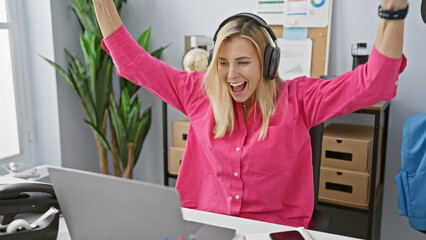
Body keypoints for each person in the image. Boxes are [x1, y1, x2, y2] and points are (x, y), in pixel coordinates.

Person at [93, 0, 407, 228]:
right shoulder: (197, 92)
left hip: (274, 233)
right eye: (223, 62)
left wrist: (392, 13)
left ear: (268, 62)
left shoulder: (299, 100)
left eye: (243, 62)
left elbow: (373, 84)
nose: (231, 74)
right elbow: (131, 61)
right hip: (203, 228)